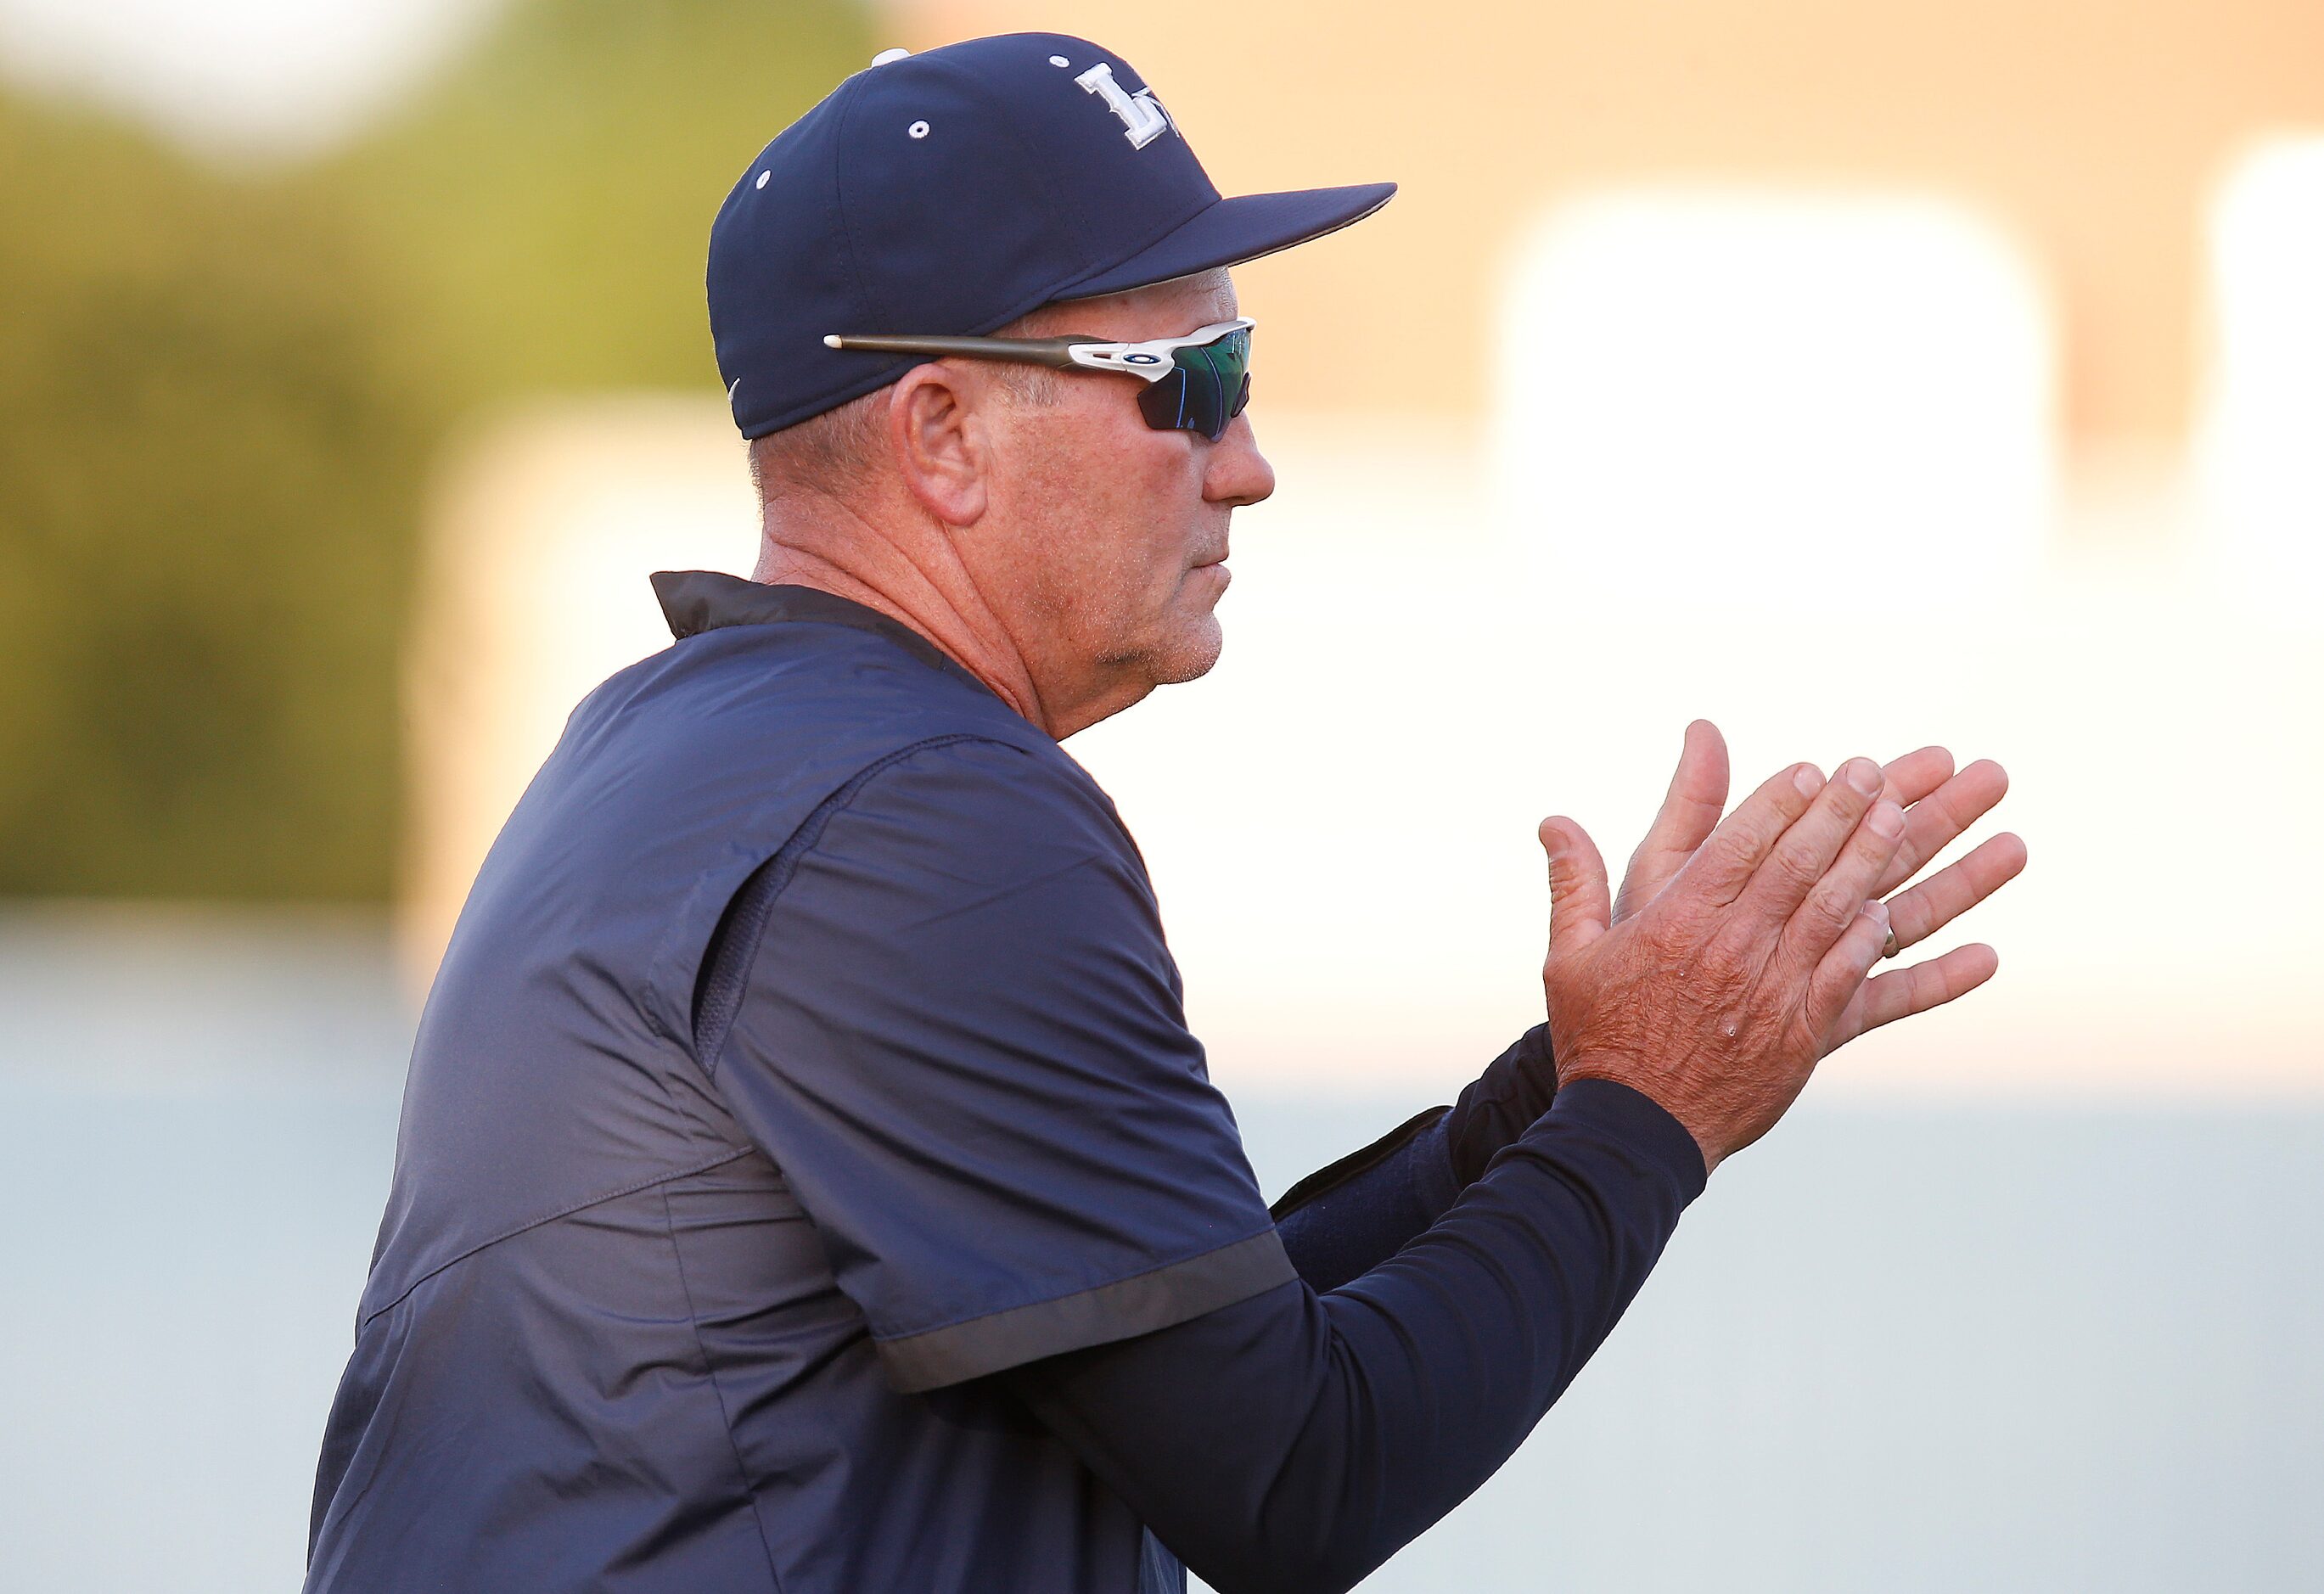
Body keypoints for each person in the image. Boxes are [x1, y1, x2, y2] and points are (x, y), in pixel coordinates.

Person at [303, 32, 2026, 1594]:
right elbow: (1289, 1474)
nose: (1248, 454)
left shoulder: (687, 748)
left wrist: (1573, 1087)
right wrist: (1656, 1110)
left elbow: (1172, 1335)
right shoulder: (923, 819)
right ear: (945, 436)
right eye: (1189, 379)